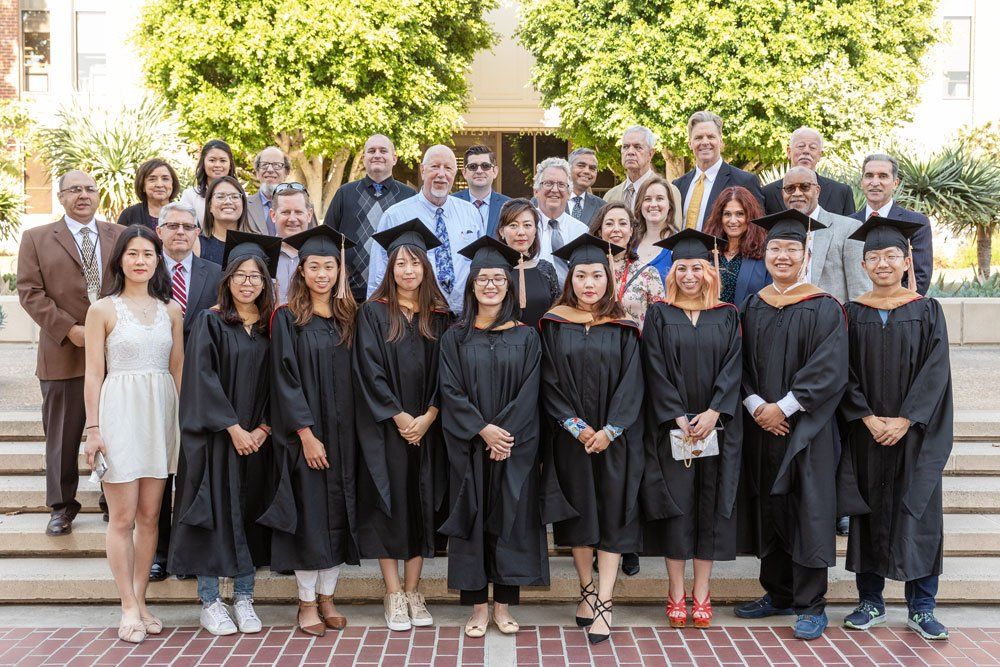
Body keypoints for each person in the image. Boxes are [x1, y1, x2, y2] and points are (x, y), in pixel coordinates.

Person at [837, 216, 953, 640]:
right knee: (869, 515)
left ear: (907, 261)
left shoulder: (926, 311)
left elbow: (935, 372)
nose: (882, 263)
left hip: (914, 434)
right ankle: (870, 601)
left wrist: (905, 420)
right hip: (867, 433)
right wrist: (867, 417)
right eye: (874, 257)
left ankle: (922, 607)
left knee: (917, 512)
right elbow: (841, 372)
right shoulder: (852, 313)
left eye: (891, 256)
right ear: (864, 264)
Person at [734, 209, 848, 641]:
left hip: (806, 432)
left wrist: (784, 406)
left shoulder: (825, 306)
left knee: (808, 510)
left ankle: (811, 604)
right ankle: (778, 593)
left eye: (791, 249)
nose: (782, 256)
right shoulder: (753, 305)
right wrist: (757, 404)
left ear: (806, 253)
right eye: (775, 248)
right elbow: (736, 364)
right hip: (763, 426)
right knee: (771, 508)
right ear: (765, 253)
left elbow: (830, 368)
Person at [168, 231, 281, 635]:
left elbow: (280, 383)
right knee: (212, 515)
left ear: (266, 283)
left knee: (249, 515)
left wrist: (264, 428)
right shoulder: (210, 321)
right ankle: (211, 601)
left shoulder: (272, 327)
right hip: (216, 440)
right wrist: (234, 429)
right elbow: (202, 380)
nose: (248, 282)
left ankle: (246, 597)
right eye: (240, 275)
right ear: (228, 279)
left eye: (256, 276)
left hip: (258, 442)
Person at [439, 236, 548, 638]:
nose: (489, 285)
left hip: (512, 448)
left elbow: (531, 391)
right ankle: (478, 610)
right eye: (482, 278)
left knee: (511, 524)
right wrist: (482, 430)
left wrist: (503, 437)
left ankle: (503, 606)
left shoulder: (527, 335)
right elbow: (449, 390)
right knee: (473, 525)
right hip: (469, 447)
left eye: (498, 279)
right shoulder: (454, 337)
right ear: (471, 285)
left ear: (508, 285)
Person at [539, 234, 644, 645]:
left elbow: (633, 383)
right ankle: (586, 589)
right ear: (571, 279)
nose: (588, 283)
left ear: (609, 278)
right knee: (580, 514)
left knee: (613, 514)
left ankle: (605, 601)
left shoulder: (623, 327)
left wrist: (609, 430)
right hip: (572, 438)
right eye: (581, 275)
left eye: (596, 275)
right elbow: (548, 380)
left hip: (614, 440)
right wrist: (576, 426)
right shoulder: (554, 323)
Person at [81, 225, 183, 643]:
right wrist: (93, 428)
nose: (140, 260)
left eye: (148, 254)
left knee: (150, 516)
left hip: (160, 413)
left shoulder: (171, 310)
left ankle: (141, 600)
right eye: (132, 253)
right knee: (122, 518)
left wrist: (177, 422)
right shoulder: (102, 310)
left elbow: (177, 370)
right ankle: (126, 605)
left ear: (158, 260)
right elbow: (92, 373)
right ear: (120, 259)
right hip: (119, 410)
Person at [258, 225, 359, 637]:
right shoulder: (287, 317)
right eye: (313, 266)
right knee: (309, 516)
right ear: (300, 271)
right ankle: (304, 603)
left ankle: (328, 598)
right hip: (306, 435)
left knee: (337, 515)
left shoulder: (350, 315)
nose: (321, 274)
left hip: (345, 435)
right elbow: (284, 379)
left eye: (328, 266)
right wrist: (305, 432)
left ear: (339, 270)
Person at [639, 229, 742, 629]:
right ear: (672, 272)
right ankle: (676, 592)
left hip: (717, 429)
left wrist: (716, 411)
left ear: (709, 271)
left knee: (709, 509)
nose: (688, 275)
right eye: (681, 268)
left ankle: (702, 593)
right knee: (678, 509)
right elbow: (654, 367)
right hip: (673, 430)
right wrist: (678, 415)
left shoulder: (728, 314)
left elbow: (735, 366)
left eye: (696, 267)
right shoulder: (660, 314)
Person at [354, 219, 451, 632]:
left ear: (426, 269)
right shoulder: (373, 314)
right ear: (389, 270)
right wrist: (399, 415)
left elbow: (450, 373)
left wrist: (429, 415)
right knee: (389, 508)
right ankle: (393, 593)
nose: (408, 271)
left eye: (416, 263)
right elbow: (368, 370)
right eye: (400, 264)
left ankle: (414, 590)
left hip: (427, 429)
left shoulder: (440, 316)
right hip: (387, 428)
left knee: (419, 504)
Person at [17, 170, 124, 536]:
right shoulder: (36, 238)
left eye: (90, 189)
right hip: (63, 352)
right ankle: (62, 507)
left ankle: (113, 499)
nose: (83, 195)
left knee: (114, 431)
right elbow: (30, 292)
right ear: (60, 197)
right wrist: (70, 329)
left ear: (98, 195)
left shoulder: (120, 235)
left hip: (115, 353)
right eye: (74, 189)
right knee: (62, 437)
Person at [149, 202, 222, 582]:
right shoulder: (144, 269)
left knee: (193, 470)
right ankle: (159, 552)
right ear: (158, 231)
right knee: (160, 469)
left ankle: (187, 550)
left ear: (198, 233)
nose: (180, 232)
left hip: (202, 383)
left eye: (187, 226)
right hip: (155, 381)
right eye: (172, 225)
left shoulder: (216, 273)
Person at [367, 145, 483, 314]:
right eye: (435, 167)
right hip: (416, 316)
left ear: (455, 173)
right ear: (422, 170)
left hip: (464, 314)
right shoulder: (396, 215)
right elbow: (379, 272)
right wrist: (376, 316)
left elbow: (478, 264)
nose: (441, 174)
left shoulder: (470, 213)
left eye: (448, 168)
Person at [325, 134, 417, 302]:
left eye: (383, 151)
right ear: (364, 158)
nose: (377, 155)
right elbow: (328, 240)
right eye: (371, 151)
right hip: (349, 294)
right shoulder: (345, 194)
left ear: (394, 158)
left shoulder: (409, 196)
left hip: (395, 293)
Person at [781, 166, 870, 304]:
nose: (797, 193)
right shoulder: (778, 231)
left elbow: (860, 291)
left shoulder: (848, 228)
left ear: (817, 191)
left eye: (804, 187)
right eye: (790, 188)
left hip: (833, 321)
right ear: (783, 193)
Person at [850, 154, 933, 295]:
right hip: (856, 310)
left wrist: (885, 303)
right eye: (869, 176)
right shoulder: (848, 224)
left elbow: (920, 277)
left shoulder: (916, 223)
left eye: (883, 176)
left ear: (895, 183)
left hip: (900, 310)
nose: (875, 182)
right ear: (862, 182)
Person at [674, 111, 764, 231]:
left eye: (711, 137)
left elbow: (758, 229)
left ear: (721, 141)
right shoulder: (678, 186)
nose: (705, 142)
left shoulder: (744, 181)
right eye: (698, 138)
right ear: (690, 143)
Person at [590, 202, 665, 329]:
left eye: (623, 223)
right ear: (599, 231)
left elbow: (659, 323)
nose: (616, 229)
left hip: (637, 346)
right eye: (609, 224)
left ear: (631, 231)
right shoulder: (589, 271)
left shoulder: (648, 274)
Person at [494, 199, 560, 328]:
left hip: (541, 343)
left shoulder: (545, 269)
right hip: (504, 344)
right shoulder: (493, 270)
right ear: (502, 231)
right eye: (513, 225)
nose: (521, 232)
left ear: (535, 231)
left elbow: (555, 312)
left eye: (527, 225)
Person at [762, 128, 856, 216]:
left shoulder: (841, 192)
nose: (806, 151)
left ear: (820, 155)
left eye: (813, 147)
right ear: (789, 152)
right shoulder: (767, 193)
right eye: (801, 146)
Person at [702, 186, 771, 306]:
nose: (733, 221)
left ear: (750, 217)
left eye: (740, 214)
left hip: (747, 323)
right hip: (709, 322)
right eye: (727, 214)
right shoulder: (708, 252)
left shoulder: (764, 255)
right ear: (720, 218)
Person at [533, 157, 589, 284]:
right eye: (548, 183)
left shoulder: (581, 231)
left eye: (561, 185)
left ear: (569, 193)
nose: (554, 189)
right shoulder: (525, 228)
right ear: (536, 191)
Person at [633, 176, 684, 282]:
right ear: (640, 205)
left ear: (670, 205)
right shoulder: (631, 243)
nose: (653, 204)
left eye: (660, 198)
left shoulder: (679, 244)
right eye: (647, 199)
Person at [454, 144, 511, 237]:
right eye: (473, 166)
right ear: (464, 173)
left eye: (485, 166)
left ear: (495, 171)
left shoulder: (509, 206)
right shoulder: (450, 204)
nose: (479, 171)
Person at [270, 183, 313, 303]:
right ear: (273, 215)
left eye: (299, 212)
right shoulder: (261, 255)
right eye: (285, 212)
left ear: (309, 215)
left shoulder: (321, 256)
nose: (292, 219)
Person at [180, 140, 237, 223]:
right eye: (212, 160)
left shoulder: (240, 196)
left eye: (223, 161)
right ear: (203, 163)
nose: (217, 165)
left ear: (230, 165)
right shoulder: (190, 196)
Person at [604, 126, 658, 210]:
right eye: (625, 147)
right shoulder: (610, 197)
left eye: (638, 147)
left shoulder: (668, 192)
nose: (630, 152)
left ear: (650, 154)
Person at [199, 176, 250, 265]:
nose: (228, 202)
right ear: (209, 206)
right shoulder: (197, 243)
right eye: (220, 196)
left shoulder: (256, 243)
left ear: (243, 204)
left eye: (234, 197)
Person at [117, 158, 181, 229]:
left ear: (173, 184)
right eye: (152, 179)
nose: (159, 185)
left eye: (165, 179)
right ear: (143, 186)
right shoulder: (129, 215)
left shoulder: (184, 213)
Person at [247, 147, 291, 235]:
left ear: (286, 173)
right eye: (264, 165)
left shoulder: (302, 206)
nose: (270, 170)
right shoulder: (243, 205)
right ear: (257, 172)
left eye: (277, 165)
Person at [566, 148, 605, 225]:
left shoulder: (602, 207)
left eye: (592, 168)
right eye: (581, 166)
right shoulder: (545, 201)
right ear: (568, 168)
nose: (587, 171)